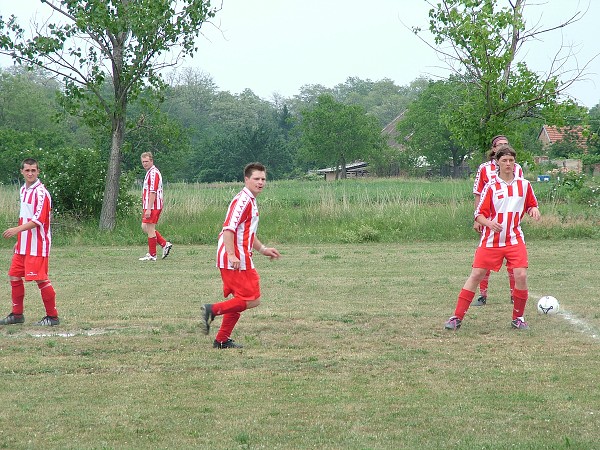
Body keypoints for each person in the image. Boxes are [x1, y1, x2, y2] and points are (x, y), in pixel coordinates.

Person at [445, 145, 540, 331]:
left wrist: (533, 209)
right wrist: (489, 224)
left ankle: (518, 318)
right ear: (497, 162)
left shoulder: (524, 185)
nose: (508, 164)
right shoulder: (491, 186)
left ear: (515, 163)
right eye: (504, 160)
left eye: (511, 160)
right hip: (491, 241)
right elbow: (479, 215)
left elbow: (530, 205)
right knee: (476, 275)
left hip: (514, 239)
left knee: (521, 274)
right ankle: (456, 317)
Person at [200, 162, 281, 349]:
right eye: (256, 179)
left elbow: (247, 233)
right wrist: (231, 255)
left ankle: (221, 340)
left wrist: (263, 249)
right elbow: (229, 228)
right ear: (246, 180)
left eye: (263, 179)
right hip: (236, 259)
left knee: (239, 301)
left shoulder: (250, 200)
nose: (260, 182)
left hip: (240, 257)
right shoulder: (243, 201)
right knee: (252, 299)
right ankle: (212, 309)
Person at [1, 158, 60, 326]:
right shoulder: (23, 190)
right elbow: (25, 216)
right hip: (24, 244)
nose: (30, 173)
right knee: (14, 276)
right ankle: (17, 315)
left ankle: (53, 317)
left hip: (37, 245)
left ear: (38, 172)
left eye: (33, 170)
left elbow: (38, 220)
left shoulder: (41, 193)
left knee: (40, 279)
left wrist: (16, 230)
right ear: (22, 172)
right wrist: (20, 240)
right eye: (27, 170)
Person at [471, 135, 524, 306]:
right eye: (499, 145)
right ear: (493, 150)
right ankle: (483, 294)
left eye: (506, 144)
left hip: (509, 223)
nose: (503, 146)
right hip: (489, 222)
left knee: (513, 263)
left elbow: (521, 192)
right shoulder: (484, 169)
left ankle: (513, 294)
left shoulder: (517, 168)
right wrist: (478, 218)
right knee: (484, 262)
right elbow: (479, 193)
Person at [139, 152, 173, 261]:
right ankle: (164, 244)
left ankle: (152, 254)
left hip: (154, 205)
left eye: (147, 161)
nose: (145, 164)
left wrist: (149, 208)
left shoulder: (153, 173)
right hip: (149, 205)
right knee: (145, 227)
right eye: (143, 162)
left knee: (150, 228)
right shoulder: (149, 172)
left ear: (151, 161)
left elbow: (153, 192)